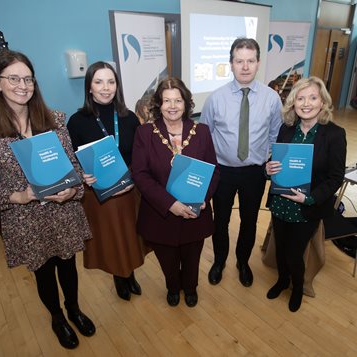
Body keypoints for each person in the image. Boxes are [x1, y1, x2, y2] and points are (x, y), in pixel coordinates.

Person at [0, 50, 95, 350]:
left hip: (63, 213)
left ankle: (74, 309)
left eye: (28, 79)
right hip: (25, 219)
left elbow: (75, 168)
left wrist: (72, 190)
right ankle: (57, 318)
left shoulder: (54, 120)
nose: (22, 85)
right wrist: (20, 196)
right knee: (44, 272)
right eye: (13, 78)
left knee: (68, 266)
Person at [200, 38, 282, 287]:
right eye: (239, 61)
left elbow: (275, 135)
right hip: (222, 172)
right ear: (231, 64)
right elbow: (204, 136)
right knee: (220, 221)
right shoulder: (215, 99)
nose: (245, 66)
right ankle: (219, 261)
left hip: (254, 173)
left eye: (250, 61)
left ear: (258, 63)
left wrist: (265, 158)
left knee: (249, 221)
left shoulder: (271, 99)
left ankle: (243, 262)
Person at [131, 77, 219, 307]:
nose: (172, 106)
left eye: (177, 100)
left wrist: (204, 198)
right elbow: (140, 175)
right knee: (167, 259)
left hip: (194, 212)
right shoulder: (144, 133)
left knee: (192, 257)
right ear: (158, 104)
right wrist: (170, 203)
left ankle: (190, 288)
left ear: (186, 103)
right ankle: (172, 287)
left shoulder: (202, 131)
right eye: (166, 101)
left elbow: (214, 171)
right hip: (160, 214)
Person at [265, 76, 346, 312]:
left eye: (312, 97)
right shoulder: (287, 129)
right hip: (281, 202)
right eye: (300, 98)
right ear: (293, 103)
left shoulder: (334, 134)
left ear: (323, 102)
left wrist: (309, 198)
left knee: (294, 253)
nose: (306, 103)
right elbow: (275, 162)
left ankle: (297, 287)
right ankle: (281, 281)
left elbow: (335, 177)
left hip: (306, 206)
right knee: (280, 247)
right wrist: (268, 168)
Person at [67, 61, 146, 302]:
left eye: (111, 82)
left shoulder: (130, 117)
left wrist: (136, 175)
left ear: (117, 86)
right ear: (89, 87)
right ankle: (119, 276)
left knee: (131, 235)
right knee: (112, 239)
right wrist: (83, 175)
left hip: (129, 190)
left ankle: (130, 273)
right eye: (99, 82)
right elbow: (71, 160)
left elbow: (139, 154)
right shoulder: (77, 121)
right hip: (100, 194)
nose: (106, 87)